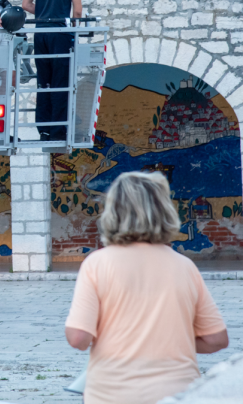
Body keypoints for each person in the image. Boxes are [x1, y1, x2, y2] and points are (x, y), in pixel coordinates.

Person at [64, 171, 229, 404]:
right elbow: (217, 340)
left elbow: (78, 338)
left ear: (113, 212)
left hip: (112, 393)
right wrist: (168, 341)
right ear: (164, 211)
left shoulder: (97, 264)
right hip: (177, 393)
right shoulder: (185, 266)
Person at [22, 0, 82, 141]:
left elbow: (25, 4)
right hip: (60, 34)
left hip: (40, 34)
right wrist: (72, 27)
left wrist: (42, 13)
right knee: (60, 83)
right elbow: (79, 10)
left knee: (43, 82)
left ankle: (44, 129)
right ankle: (58, 131)